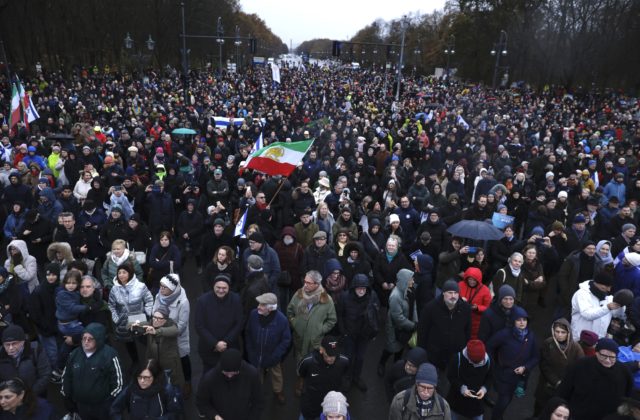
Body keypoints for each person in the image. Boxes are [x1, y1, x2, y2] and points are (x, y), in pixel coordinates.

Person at [287, 270, 337, 396]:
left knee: (313, 363)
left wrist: (320, 329)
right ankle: (300, 381)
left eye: (309, 283)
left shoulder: (326, 300)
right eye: (304, 282)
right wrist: (294, 322)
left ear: (316, 284)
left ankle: (310, 383)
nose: (305, 285)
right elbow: (290, 310)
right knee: (299, 361)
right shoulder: (299, 294)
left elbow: (332, 320)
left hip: (315, 341)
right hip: (299, 338)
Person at [557, 338, 633, 420]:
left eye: (612, 357)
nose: (607, 360)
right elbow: (564, 390)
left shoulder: (623, 372)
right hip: (578, 415)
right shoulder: (580, 366)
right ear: (596, 353)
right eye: (604, 356)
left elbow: (627, 397)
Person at [61, 323, 124, 420]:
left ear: (98, 340)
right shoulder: (74, 354)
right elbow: (66, 376)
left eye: (90, 339)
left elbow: (118, 383)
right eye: (84, 338)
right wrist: (66, 396)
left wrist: (109, 402)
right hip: (81, 406)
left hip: (102, 407)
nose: (86, 342)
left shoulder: (110, 355)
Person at [486, 307, 539, 420]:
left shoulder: (531, 336)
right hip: (504, 375)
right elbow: (489, 346)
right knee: (504, 400)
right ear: (513, 320)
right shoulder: (504, 334)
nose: (522, 322)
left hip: (520, 377)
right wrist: (492, 363)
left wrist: (525, 367)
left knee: (508, 399)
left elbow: (535, 357)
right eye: (518, 320)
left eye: (524, 320)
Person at [244, 292, 291, 405]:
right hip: (256, 355)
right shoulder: (253, 314)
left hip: (272, 356)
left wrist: (275, 356)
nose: (258, 307)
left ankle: (278, 391)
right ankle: (257, 392)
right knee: (256, 375)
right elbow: (248, 333)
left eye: (262, 305)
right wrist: (250, 351)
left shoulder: (282, 320)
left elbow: (286, 340)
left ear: (270, 308)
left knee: (276, 375)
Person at [337, 273, 380, 391]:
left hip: (364, 334)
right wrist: (343, 332)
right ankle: (347, 377)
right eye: (359, 288)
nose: (362, 291)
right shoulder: (344, 297)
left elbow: (376, 314)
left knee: (360, 358)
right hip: (349, 334)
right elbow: (340, 315)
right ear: (354, 287)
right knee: (348, 357)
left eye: (364, 288)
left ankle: (356, 377)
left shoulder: (372, 296)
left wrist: (373, 332)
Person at [417, 279, 472, 371]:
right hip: (434, 354)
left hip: (455, 353)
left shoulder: (466, 308)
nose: (453, 296)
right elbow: (422, 332)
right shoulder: (430, 308)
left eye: (455, 293)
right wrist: (423, 353)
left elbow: (467, 330)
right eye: (450, 293)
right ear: (443, 293)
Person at [534, 318, 584, 416]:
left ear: (568, 333)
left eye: (563, 332)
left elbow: (580, 368)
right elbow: (544, 366)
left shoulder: (576, 348)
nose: (559, 335)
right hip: (547, 385)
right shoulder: (548, 343)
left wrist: (567, 384)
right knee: (540, 410)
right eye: (557, 331)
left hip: (565, 387)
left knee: (557, 412)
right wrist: (556, 382)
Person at [195, 348, 264, 420]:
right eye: (226, 373)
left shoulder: (252, 374)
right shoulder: (210, 378)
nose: (230, 376)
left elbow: (258, 402)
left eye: (233, 373)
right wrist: (214, 416)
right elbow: (201, 402)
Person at [152, 273, 191, 397]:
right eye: (160, 286)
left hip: (177, 338)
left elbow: (181, 326)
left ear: (173, 289)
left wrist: (162, 329)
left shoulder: (183, 302)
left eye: (164, 287)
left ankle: (187, 382)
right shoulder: (159, 295)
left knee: (182, 360)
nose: (161, 289)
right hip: (162, 336)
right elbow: (154, 312)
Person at [107, 263, 153, 367]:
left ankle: (151, 363)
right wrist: (116, 318)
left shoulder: (140, 286)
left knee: (145, 342)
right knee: (129, 344)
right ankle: (136, 364)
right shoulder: (114, 289)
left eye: (124, 272)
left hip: (139, 320)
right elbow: (111, 305)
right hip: (123, 322)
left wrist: (148, 313)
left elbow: (149, 300)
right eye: (119, 272)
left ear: (130, 273)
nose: (121, 275)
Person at [195, 274, 243, 372]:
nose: (221, 290)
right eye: (218, 287)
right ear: (213, 286)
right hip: (208, 348)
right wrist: (215, 343)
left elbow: (239, 323)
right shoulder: (202, 301)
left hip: (230, 347)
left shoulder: (236, 299)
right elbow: (199, 325)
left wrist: (225, 343)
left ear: (229, 287)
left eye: (224, 288)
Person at [110, 358, 183, 420]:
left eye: (146, 378)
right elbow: (115, 409)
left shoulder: (166, 390)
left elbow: (174, 413)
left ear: (155, 377)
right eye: (140, 377)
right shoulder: (131, 389)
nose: (142, 381)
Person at [297, 335, 350, 420]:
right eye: (328, 354)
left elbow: (345, 375)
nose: (331, 358)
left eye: (334, 354)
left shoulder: (344, 361)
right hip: (311, 404)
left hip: (331, 405)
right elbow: (301, 375)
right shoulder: (308, 361)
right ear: (321, 349)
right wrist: (300, 388)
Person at [379, 269, 418, 375]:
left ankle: (396, 366)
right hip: (395, 328)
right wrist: (413, 325)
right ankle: (382, 364)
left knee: (400, 348)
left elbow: (413, 306)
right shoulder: (395, 296)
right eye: (411, 279)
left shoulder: (409, 290)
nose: (413, 281)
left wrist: (415, 321)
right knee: (390, 348)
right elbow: (398, 318)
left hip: (405, 327)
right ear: (405, 280)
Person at [138, 306, 185, 388]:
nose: (155, 320)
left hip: (169, 363)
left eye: (159, 318)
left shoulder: (171, 325)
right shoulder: (150, 322)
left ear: (165, 320)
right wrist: (133, 324)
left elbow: (175, 331)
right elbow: (133, 323)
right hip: (154, 361)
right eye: (154, 317)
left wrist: (157, 331)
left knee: (172, 384)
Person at [446, 339, 492, 420]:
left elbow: (490, 378)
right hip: (456, 400)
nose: (477, 365)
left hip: (477, 403)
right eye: (474, 362)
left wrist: (484, 389)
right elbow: (451, 376)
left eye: (480, 362)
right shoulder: (457, 358)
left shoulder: (489, 361)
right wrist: (462, 388)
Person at [0, 325, 51, 398]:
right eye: (7, 345)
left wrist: (29, 395)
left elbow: (45, 375)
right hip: (10, 399)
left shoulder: (36, 350)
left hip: (35, 396)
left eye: (14, 343)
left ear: (23, 342)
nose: (11, 348)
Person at [571, 272, 625, 339]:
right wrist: (607, 308)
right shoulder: (582, 294)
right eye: (606, 286)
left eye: (610, 287)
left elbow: (618, 315)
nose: (608, 290)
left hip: (599, 339)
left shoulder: (608, 297)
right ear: (596, 283)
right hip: (581, 338)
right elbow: (587, 314)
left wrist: (621, 305)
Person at [458, 267, 491, 339]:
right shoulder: (460, 285)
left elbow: (488, 308)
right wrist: (460, 300)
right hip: (460, 317)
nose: (472, 282)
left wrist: (478, 307)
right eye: (470, 279)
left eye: (474, 280)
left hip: (476, 321)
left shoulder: (485, 290)